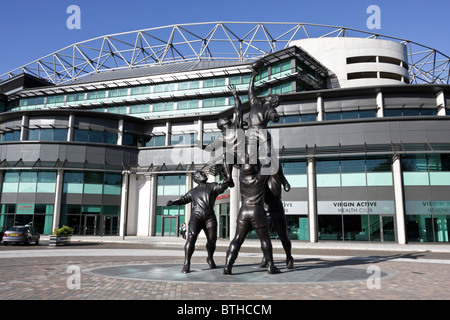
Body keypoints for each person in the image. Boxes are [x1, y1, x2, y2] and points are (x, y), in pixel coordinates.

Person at [167, 170, 230, 273]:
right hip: (196, 216)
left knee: (212, 240)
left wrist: (225, 182)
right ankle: (186, 263)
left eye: (203, 173)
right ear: (196, 178)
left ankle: (210, 258)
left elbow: (221, 188)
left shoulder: (212, 186)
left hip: (209, 217)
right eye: (200, 173)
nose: (203, 174)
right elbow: (183, 199)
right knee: (191, 237)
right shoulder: (193, 191)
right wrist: (173, 202)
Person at [223, 162, 281, 275]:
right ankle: (271, 266)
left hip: (243, 212)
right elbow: (269, 164)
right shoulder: (259, 178)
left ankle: (227, 266)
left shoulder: (241, 178)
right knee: (265, 240)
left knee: (237, 240)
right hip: (256, 211)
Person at [261, 165, 294, 269]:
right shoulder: (262, 175)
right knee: (265, 237)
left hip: (277, 208)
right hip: (265, 208)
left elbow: (286, 185)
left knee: (283, 236)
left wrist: (284, 181)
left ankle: (289, 257)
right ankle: (266, 257)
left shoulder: (277, 174)